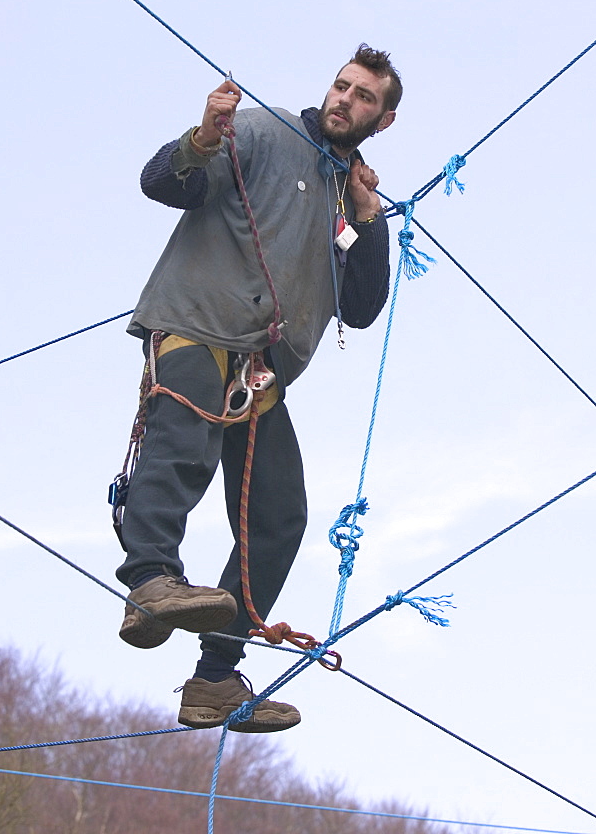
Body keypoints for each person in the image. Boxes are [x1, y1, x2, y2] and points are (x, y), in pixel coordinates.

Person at [115, 44, 402, 733]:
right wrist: (202, 137)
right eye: (342, 86)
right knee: (182, 438)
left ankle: (213, 680)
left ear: (382, 119)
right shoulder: (265, 131)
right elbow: (164, 183)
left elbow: (361, 307)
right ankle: (151, 581)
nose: (345, 100)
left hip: (262, 373)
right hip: (198, 324)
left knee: (279, 517)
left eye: (364, 97)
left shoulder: (349, 194)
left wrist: (368, 215)